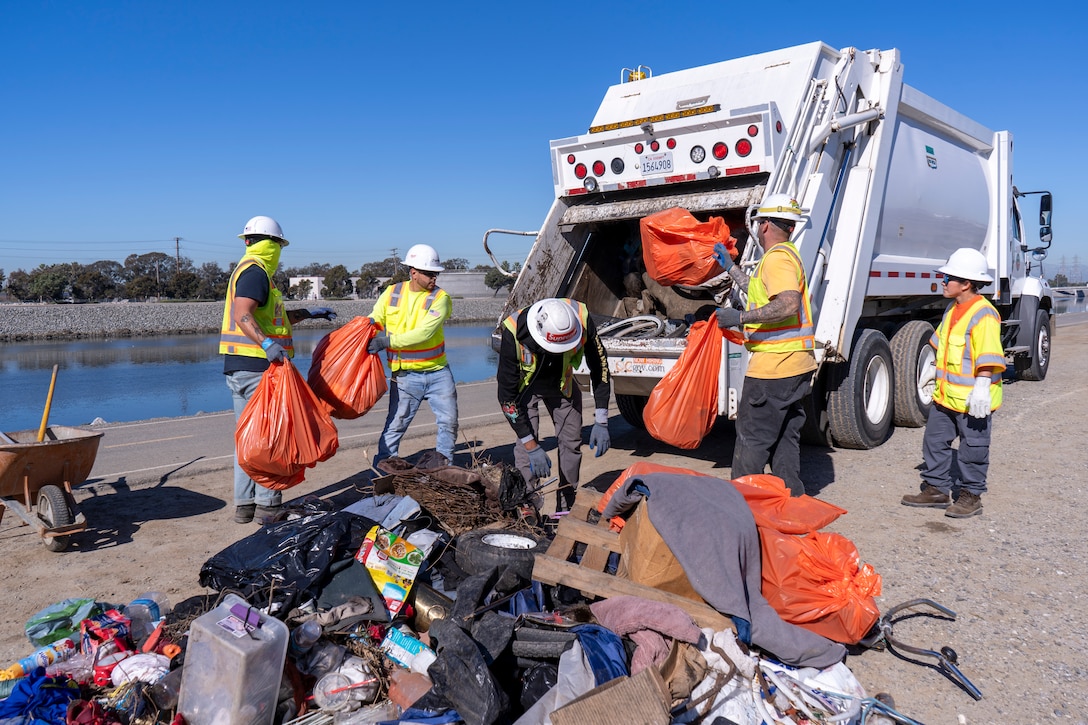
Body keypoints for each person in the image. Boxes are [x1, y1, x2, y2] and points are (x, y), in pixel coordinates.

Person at [220, 215, 336, 524]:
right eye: (275, 244)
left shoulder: (251, 273)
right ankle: (269, 505)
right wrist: (267, 346)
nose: (276, 250)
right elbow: (242, 314)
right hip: (261, 368)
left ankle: (245, 506)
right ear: (264, 244)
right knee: (273, 436)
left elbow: (273, 319)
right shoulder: (255, 272)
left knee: (249, 438)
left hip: (239, 366)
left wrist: (307, 314)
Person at [714, 193, 814, 496]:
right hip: (795, 365)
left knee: (752, 441)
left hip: (774, 368)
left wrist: (739, 317)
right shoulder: (785, 255)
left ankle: (743, 508)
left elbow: (786, 304)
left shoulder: (777, 258)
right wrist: (731, 268)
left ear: (765, 224)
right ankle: (792, 502)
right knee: (784, 438)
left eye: (758, 224)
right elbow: (761, 290)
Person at [901, 248, 1005, 518]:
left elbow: (989, 357)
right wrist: (931, 371)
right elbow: (942, 347)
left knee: (973, 449)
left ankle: (971, 496)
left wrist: (982, 388)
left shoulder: (984, 315)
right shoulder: (953, 309)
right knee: (934, 443)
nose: (943, 282)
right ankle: (936, 489)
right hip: (945, 397)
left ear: (966, 283)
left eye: (948, 278)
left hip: (973, 401)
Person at [497, 297, 611, 513]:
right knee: (525, 448)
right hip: (525, 389)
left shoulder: (581, 318)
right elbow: (506, 398)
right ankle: (528, 507)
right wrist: (532, 447)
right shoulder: (513, 332)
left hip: (562, 383)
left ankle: (566, 506)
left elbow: (600, 367)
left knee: (571, 441)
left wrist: (602, 419)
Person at [367, 244, 458, 468]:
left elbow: (424, 333)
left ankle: (442, 469)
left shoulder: (441, 298)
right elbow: (374, 319)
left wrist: (386, 342)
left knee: (449, 422)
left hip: (438, 372)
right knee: (395, 426)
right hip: (405, 375)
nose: (433, 278)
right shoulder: (391, 293)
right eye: (429, 273)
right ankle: (381, 476)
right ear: (413, 272)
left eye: (435, 273)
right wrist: (358, 333)